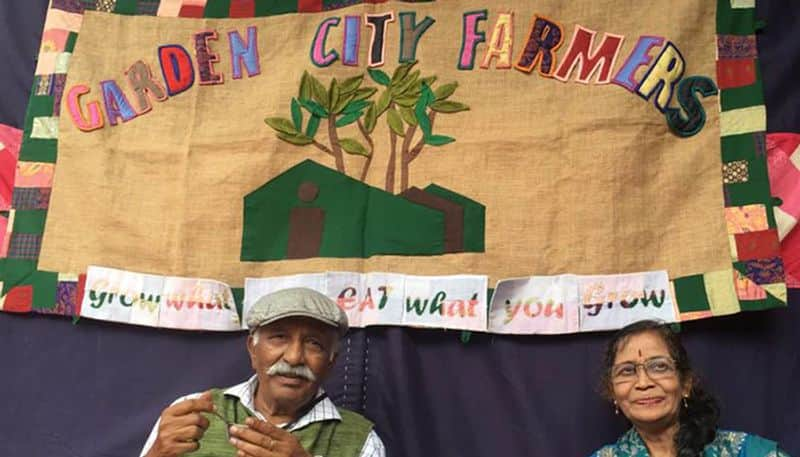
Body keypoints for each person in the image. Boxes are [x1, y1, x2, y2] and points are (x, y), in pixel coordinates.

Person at [140, 287, 386, 457]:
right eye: (279, 337)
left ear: (331, 362)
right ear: (252, 349)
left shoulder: (362, 441)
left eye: (314, 343)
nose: (293, 357)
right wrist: (158, 453)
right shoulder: (191, 413)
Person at [590, 319, 790, 457]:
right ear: (612, 391)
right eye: (627, 371)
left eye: (659, 367)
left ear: (685, 383)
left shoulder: (746, 452)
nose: (643, 383)